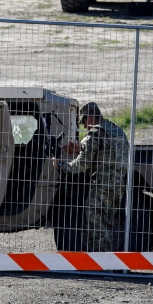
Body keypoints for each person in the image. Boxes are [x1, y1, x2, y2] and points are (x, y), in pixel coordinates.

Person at [61, 101, 129, 252]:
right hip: (118, 185)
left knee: (96, 225)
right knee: (108, 223)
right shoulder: (116, 130)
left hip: (102, 186)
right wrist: (80, 148)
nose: (85, 126)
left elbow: (82, 164)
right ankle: (109, 260)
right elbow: (108, 152)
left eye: (84, 121)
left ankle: (103, 261)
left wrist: (61, 165)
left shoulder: (95, 133)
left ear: (90, 118)